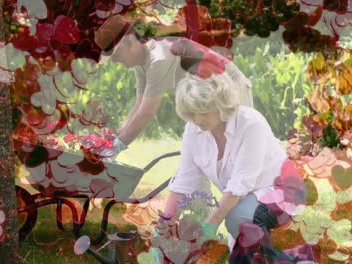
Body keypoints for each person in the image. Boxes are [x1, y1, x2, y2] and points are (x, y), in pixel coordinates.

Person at [162, 72, 307, 263]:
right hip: (242, 202)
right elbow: (184, 181)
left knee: (239, 219)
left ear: (220, 104)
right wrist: (164, 227)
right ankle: (299, 259)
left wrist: (209, 227)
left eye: (203, 111)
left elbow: (240, 183)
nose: (197, 119)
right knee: (240, 251)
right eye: (191, 113)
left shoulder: (251, 123)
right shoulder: (193, 130)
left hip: (284, 192)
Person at [94, 15, 253, 157]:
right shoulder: (141, 64)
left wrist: (117, 147)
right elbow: (138, 107)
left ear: (130, 43)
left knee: (238, 151)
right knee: (200, 152)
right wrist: (113, 140)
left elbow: (147, 112)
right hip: (205, 101)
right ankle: (198, 190)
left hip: (231, 89)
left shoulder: (158, 57)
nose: (116, 61)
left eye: (115, 56)